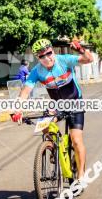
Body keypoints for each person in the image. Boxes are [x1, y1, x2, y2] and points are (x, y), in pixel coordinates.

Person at [11, 38, 94, 182]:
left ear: (52, 51)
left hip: (75, 102)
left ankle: (81, 177)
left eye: (49, 53)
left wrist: (80, 49)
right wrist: (17, 110)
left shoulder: (64, 60)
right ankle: (52, 146)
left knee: (76, 139)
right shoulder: (37, 71)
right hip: (57, 105)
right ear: (38, 57)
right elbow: (25, 91)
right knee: (43, 123)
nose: (47, 58)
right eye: (42, 56)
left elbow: (89, 59)